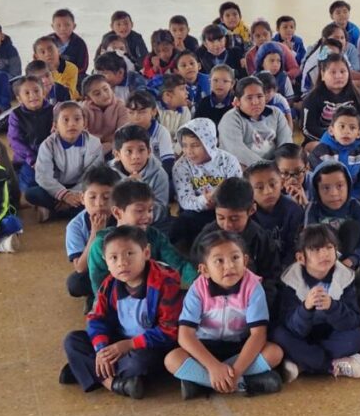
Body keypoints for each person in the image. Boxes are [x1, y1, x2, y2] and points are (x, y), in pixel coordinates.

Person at [60, 225, 183, 399]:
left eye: (130, 254)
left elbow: (169, 331)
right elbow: (96, 319)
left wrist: (129, 345)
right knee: (72, 340)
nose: (122, 263)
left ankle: (86, 368)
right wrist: (102, 350)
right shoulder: (109, 284)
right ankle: (113, 383)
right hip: (119, 339)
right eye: (113, 257)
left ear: (146, 253)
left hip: (150, 345)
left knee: (139, 362)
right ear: (106, 261)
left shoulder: (164, 282)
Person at [164, 230, 283, 398]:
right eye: (219, 261)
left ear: (245, 261)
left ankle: (204, 383)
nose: (229, 266)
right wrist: (214, 367)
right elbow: (185, 336)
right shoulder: (197, 290)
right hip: (205, 348)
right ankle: (241, 383)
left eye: (235, 258)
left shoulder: (253, 287)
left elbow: (258, 335)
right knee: (172, 359)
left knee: (274, 352)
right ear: (204, 270)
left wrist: (238, 368)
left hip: (239, 347)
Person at [272, 224, 360, 382]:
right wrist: (305, 308)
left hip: (332, 335)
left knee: (358, 336)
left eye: (329, 248)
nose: (324, 254)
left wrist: (333, 307)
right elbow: (292, 328)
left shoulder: (345, 278)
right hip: (303, 337)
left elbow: (353, 320)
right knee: (279, 335)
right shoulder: (291, 281)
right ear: (301, 258)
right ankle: (331, 366)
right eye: (316, 249)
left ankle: (304, 364)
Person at [88, 180, 198, 295]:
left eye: (150, 210)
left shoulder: (154, 236)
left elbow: (178, 264)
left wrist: (200, 281)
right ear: (117, 212)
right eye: (140, 211)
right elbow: (99, 284)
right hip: (117, 298)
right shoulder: (101, 244)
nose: (147, 216)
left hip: (152, 292)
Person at [193, 178, 280, 310]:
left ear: (251, 210)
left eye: (234, 218)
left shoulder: (260, 238)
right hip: (213, 302)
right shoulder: (208, 235)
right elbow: (197, 265)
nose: (227, 225)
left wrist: (260, 306)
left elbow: (271, 275)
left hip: (251, 301)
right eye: (220, 217)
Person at [171, 118, 242, 249]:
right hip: (196, 211)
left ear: (209, 143)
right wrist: (204, 200)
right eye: (185, 145)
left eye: (195, 145)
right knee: (182, 222)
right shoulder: (181, 166)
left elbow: (238, 190)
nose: (189, 151)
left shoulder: (228, 161)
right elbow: (185, 200)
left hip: (225, 209)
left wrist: (218, 199)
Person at [28, 101, 104, 221]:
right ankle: (67, 210)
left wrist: (74, 196)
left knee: (97, 199)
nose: (72, 124)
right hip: (56, 187)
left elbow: (92, 176)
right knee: (32, 193)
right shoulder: (48, 144)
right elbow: (43, 175)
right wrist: (64, 195)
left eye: (77, 119)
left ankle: (54, 211)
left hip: (82, 188)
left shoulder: (94, 143)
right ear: (55, 125)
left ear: (84, 123)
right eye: (65, 120)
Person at [65, 164, 120, 305]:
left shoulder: (123, 216)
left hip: (124, 266)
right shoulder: (75, 226)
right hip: (96, 271)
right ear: (82, 198)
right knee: (75, 283)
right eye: (92, 197)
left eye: (107, 197)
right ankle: (101, 294)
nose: (99, 204)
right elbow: (80, 267)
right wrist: (96, 233)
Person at [303, 160, 360, 272]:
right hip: (322, 263)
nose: (334, 193)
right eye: (326, 188)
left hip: (349, 264)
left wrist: (353, 259)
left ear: (348, 186)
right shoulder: (313, 209)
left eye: (340, 186)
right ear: (317, 190)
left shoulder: (356, 207)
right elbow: (309, 241)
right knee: (321, 231)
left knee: (352, 227)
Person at [217, 77, 293, 168]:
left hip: (276, 165)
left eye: (260, 96)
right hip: (244, 167)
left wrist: (281, 164)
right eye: (249, 98)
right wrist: (268, 167)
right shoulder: (230, 119)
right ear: (237, 101)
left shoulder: (276, 113)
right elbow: (238, 152)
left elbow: (285, 142)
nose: (256, 102)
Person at [110, 125, 171, 227]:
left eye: (141, 150)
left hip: (148, 224)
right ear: (117, 155)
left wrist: (139, 191)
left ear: (149, 152)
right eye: (129, 151)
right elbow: (106, 205)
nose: (136, 156)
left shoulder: (159, 174)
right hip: (117, 222)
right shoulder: (109, 174)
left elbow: (161, 211)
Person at [300, 56, 360, 144]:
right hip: (323, 142)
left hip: (353, 141)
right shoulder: (312, 99)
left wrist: (353, 139)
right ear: (322, 75)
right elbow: (308, 129)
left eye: (342, 71)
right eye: (333, 72)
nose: (338, 76)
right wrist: (334, 140)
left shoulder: (359, 97)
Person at [247, 159, 304, 265]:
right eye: (259, 187)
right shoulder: (247, 214)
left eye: (273, 184)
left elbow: (294, 248)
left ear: (282, 183)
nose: (268, 191)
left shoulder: (294, 211)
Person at [7, 76, 54, 190]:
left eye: (36, 91)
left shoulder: (54, 110)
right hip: (29, 159)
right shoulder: (16, 115)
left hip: (52, 154)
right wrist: (32, 160)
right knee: (31, 182)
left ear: (43, 92)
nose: (33, 95)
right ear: (19, 99)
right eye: (27, 93)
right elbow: (15, 140)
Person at [308, 104, 360, 183]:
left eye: (352, 128)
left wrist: (355, 195)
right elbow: (315, 180)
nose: (347, 132)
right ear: (331, 130)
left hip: (355, 194)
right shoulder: (320, 152)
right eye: (342, 126)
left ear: (359, 133)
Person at [82, 75, 129, 157]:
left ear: (111, 88)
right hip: (90, 149)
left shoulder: (122, 107)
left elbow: (122, 134)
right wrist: (103, 142)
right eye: (97, 94)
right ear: (88, 99)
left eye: (106, 89)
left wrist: (107, 144)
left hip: (115, 148)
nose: (104, 95)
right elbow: (82, 135)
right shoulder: (83, 110)